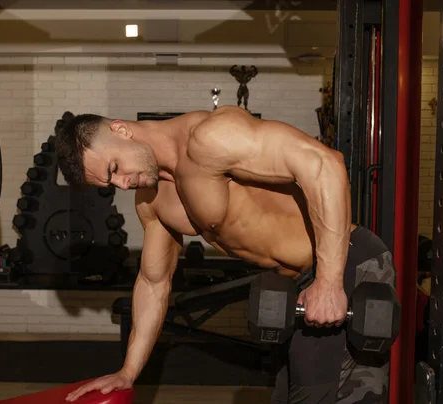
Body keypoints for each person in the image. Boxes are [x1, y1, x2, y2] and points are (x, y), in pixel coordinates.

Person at [55, 106, 396, 403]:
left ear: (121, 130)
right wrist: (127, 372)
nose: (123, 184)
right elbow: (153, 281)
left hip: (344, 262)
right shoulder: (152, 200)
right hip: (303, 286)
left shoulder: (209, 138)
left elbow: (325, 164)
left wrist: (330, 281)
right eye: (111, 185)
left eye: (115, 168)